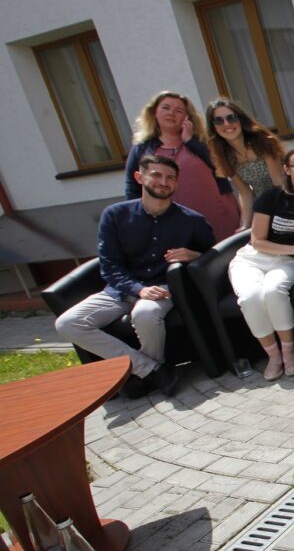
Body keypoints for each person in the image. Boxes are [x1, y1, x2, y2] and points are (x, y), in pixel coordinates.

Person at [58, 155, 215, 398]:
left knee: (145, 314)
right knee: (67, 324)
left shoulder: (191, 220)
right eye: (156, 175)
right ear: (139, 177)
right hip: (120, 290)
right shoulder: (115, 215)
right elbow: (109, 265)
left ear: (176, 183)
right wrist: (138, 289)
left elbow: (213, 254)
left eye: (170, 177)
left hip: (163, 288)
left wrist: (194, 255)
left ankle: (142, 375)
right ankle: (152, 370)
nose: (164, 182)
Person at [227, 146, 294, 380]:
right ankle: (273, 355)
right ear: (286, 169)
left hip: (289, 263)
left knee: (273, 290)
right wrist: (293, 248)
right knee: (250, 297)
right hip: (252, 259)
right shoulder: (271, 198)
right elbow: (257, 241)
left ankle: (288, 351)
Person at [124, 91, 240, 241]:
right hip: (174, 222)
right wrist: (140, 219)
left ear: (187, 117)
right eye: (166, 108)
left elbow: (220, 167)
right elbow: (132, 188)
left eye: (178, 110)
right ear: (154, 112)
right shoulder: (142, 149)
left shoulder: (202, 142)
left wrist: (190, 141)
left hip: (219, 213)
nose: (171, 113)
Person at [204, 98, 286, 231]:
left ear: (240, 119)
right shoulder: (224, 155)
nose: (226, 124)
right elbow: (245, 192)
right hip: (262, 208)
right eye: (219, 120)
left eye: (231, 118)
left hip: (284, 201)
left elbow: (279, 182)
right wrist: (245, 224)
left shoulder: (262, 141)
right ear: (213, 126)